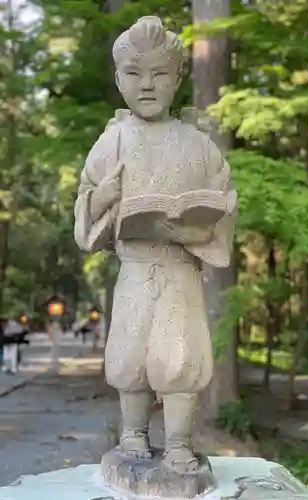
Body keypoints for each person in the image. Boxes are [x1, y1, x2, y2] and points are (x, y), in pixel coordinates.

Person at [74, 16, 236, 472]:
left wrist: (195, 227)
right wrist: (101, 199)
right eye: (134, 73)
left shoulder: (199, 145)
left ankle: (180, 442)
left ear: (179, 77)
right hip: (135, 266)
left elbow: (224, 203)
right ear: (118, 77)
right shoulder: (112, 141)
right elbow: (86, 211)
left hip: (182, 267)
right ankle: (132, 435)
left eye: (160, 74)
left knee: (180, 355)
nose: (147, 85)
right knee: (131, 353)